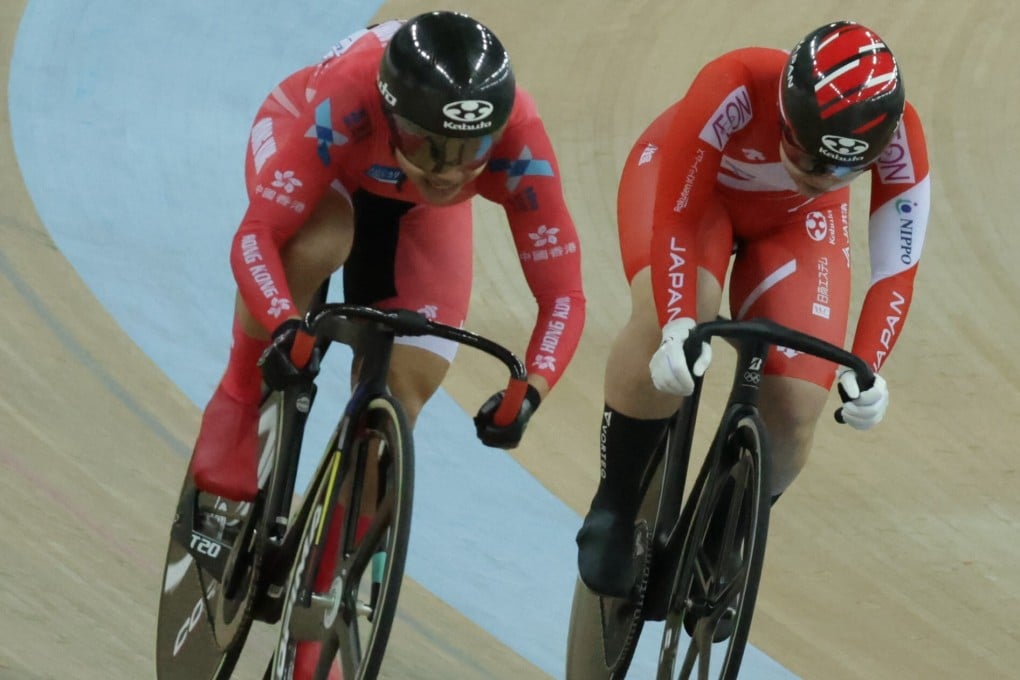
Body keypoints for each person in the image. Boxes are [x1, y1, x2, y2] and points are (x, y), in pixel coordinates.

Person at [186, 11, 586, 677]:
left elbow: (565, 294)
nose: (450, 169)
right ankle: (238, 395)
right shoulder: (348, 95)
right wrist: (284, 328)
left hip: (417, 218)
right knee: (320, 242)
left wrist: (531, 389)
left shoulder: (518, 137)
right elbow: (257, 234)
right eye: (431, 145)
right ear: (396, 114)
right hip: (320, 154)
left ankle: (324, 610)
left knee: (404, 389)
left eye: (469, 148)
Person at [575, 20, 930, 601]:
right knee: (689, 308)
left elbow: (896, 270)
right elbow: (678, 218)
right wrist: (676, 323)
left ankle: (719, 541)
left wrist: (866, 366)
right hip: (694, 191)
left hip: (792, 224)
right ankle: (613, 503)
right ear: (787, 116)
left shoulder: (900, 135)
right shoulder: (735, 83)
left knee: (796, 403)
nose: (818, 177)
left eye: (842, 171)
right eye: (806, 154)